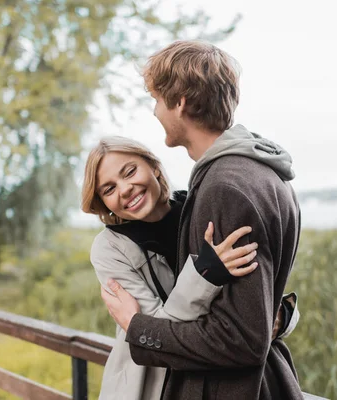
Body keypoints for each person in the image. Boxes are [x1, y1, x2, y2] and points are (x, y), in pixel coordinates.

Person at [100, 40, 304, 399]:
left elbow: (241, 339)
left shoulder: (225, 187)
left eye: (157, 100)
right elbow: (255, 312)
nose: (155, 111)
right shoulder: (266, 174)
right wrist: (277, 315)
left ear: (179, 103)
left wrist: (136, 326)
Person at [81, 137, 299, 400]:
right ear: (103, 204)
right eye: (108, 189)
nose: (124, 189)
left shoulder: (200, 210)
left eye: (130, 172)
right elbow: (154, 330)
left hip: (217, 382)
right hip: (150, 387)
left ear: (154, 167)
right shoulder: (109, 249)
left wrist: (283, 316)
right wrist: (206, 271)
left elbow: (260, 297)